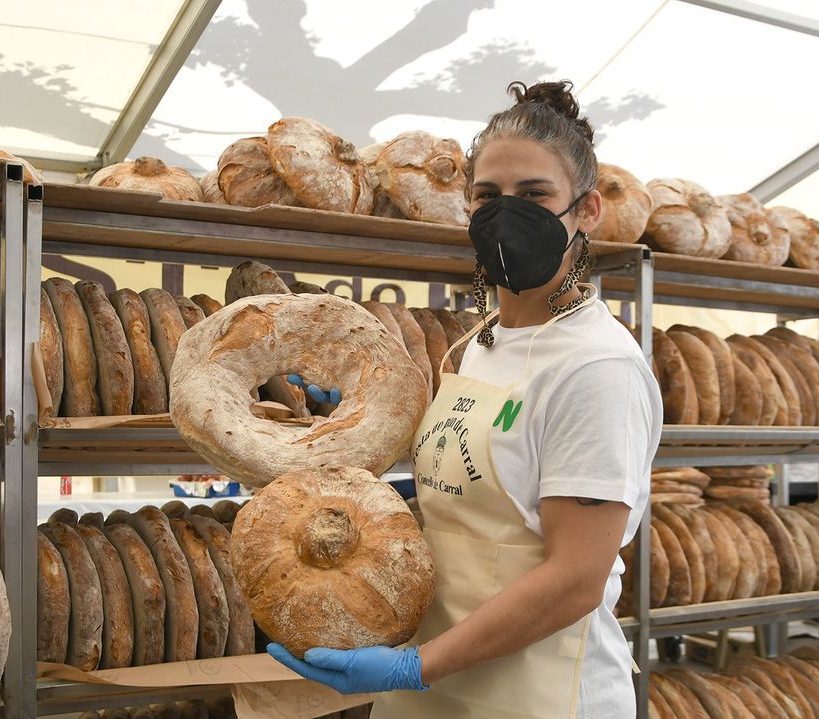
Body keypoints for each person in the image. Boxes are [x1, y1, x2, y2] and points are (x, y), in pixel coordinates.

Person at [268, 81, 662, 717]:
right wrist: (366, 418)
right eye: (488, 196)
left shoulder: (597, 368)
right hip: (441, 683)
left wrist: (413, 665)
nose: (507, 214)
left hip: (536, 692)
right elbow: (479, 476)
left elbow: (575, 580)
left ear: (587, 211)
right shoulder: (479, 344)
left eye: (534, 196)